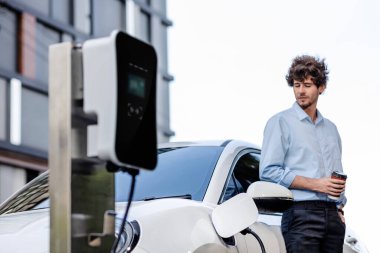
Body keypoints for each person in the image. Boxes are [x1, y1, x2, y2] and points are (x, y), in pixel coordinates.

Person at [260, 55, 347, 253]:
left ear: (321, 87)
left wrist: (340, 208)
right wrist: (318, 184)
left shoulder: (332, 129)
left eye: (307, 85)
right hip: (301, 215)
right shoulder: (280, 122)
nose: (300, 91)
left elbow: (337, 174)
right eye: (297, 85)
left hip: (333, 218)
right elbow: (268, 171)